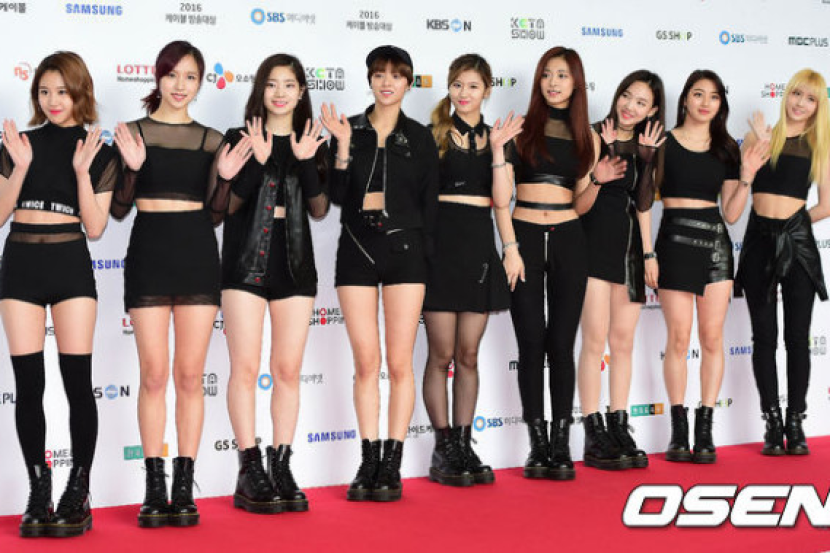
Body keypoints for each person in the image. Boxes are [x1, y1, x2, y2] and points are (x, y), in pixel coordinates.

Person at [112, 40, 249, 527]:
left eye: (190, 76)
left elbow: (215, 215)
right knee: (153, 375)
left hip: (196, 257)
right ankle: (154, 489)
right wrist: (131, 169)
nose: (180, 85)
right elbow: (119, 210)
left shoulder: (212, 140)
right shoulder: (132, 133)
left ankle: (184, 487)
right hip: (149, 255)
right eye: (172, 75)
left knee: (191, 377)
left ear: (200, 83)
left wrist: (226, 179)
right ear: (158, 77)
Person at [0, 51, 120, 538]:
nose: (53, 100)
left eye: (62, 92)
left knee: (76, 384)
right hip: (20, 265)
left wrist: (81, 172)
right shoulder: (17, 144)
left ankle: (78, 490)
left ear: (80, 92)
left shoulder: (97, 150)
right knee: (29, 385)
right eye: (44, 91)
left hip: (70, 263)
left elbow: (96, 226)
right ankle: (38, 490)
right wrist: (20, 167)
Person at [321, 45, 439, 501]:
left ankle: (392, 462)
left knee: (399, 362)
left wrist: (427, 260)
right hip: (357, 250)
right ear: (369, 79)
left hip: (406, 253)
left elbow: (430, 207)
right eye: (379, 74)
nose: (387, 82)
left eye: (396, 75)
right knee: (366, 363)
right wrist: (342, 146)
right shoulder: (347, 129)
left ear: (408, 82)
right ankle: (368, 460)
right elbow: (334, 197)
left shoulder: (421, 137)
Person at [506, 46, 626, 480]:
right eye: (546, 74)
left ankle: (560, 444)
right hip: (523, 238)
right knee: (530, 344)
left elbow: (582, 203)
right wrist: (509, 245)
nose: (553, 82)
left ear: (576, 82)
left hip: (569, 239)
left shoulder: (588, 137)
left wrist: (597, 180)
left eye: (562, 75)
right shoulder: (518, 129)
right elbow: (502, 196)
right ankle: (537, 444)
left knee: (560, 344)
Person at [220, 53, 328, 514]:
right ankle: (249, 469)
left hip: (295, 263)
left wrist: (305, 161)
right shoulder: (239, 138)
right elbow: (225, 207)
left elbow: (320, 209)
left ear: (301, 92)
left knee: (287, 370)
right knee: (245, 368)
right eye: (271, 84)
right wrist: (259, 164)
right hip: (244, 263)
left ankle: (281, 465)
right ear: (260, 90)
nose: (280, 93)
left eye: (288, 84)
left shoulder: (312, 141)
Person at [654, 70, 767, 464]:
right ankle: (678, 431)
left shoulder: (726, 148)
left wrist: (747, 177)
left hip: (716, 248)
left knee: (712, 338)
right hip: (673, 244)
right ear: (685, 99)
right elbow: (643, 197)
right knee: (678, 339)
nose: (705, 102)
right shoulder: (662, 142)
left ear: (721, 104)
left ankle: (704, 429)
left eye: (714, 96)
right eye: (698, 94)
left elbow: (732, 214)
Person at [422, 53, 522, 486]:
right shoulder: (431, 135)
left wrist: (511, 249)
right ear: (449, 87)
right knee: (441, 354)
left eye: (473, 86)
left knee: (468, 354)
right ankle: (443, 447)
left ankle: (464, 444)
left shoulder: (499, 138)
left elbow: (501, 201)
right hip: (439, 248)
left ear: (487, 90)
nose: (464, 94)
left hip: (479, 247)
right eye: (458, 85)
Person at [736, 69, 830, 456]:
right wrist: (757, 146)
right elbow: (742, 188)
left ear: (818, 106)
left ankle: (796, 421)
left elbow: (826, 205)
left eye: (810, 98)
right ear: (786, 94)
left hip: (798, 246)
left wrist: (794, 225)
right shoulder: (760, 137)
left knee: (796, 338)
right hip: (758, 241)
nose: (800, 103)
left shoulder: (819, 145)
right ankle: (772, 423)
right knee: (763, 337)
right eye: (796, 94)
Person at [576, 70, 665, 470]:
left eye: (641, 102)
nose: (630, 106)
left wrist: (648, 254)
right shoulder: (595, 134)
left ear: (653, 110)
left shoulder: (649, 145)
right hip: (593, 247)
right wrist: (600, 171)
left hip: (629, 250)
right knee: (594, 342)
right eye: (627, 96)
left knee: (623, 342)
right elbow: (578, 203)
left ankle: (619, 425)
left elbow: (643, 204)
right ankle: (593, 431)